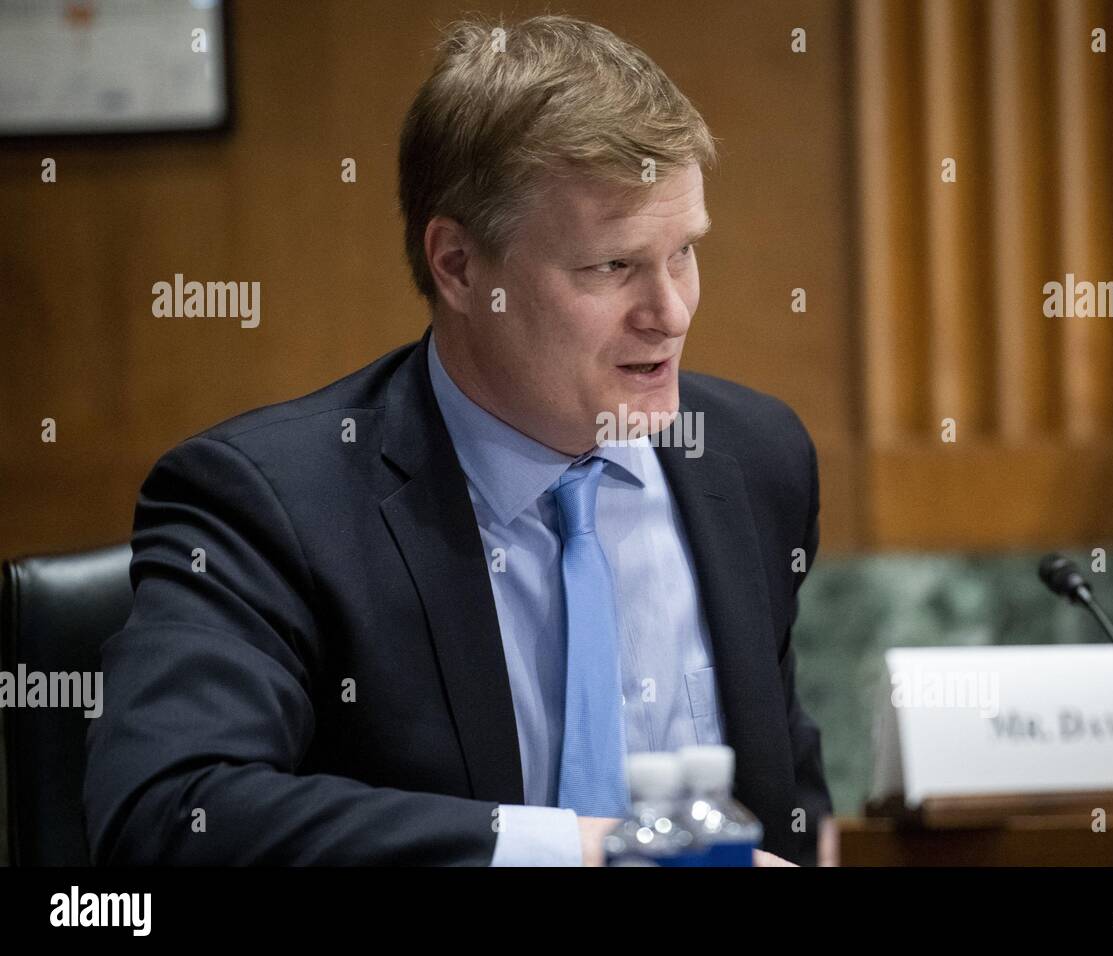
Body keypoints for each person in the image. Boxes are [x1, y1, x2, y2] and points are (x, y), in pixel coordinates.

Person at [84, 13, 830, 866]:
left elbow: (790, 808)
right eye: (611, 266)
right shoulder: (270, 503)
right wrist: (585, 854)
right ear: (460, 266)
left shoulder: (754, 460)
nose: (672, 312)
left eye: (685, 253)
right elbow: (168, 813)